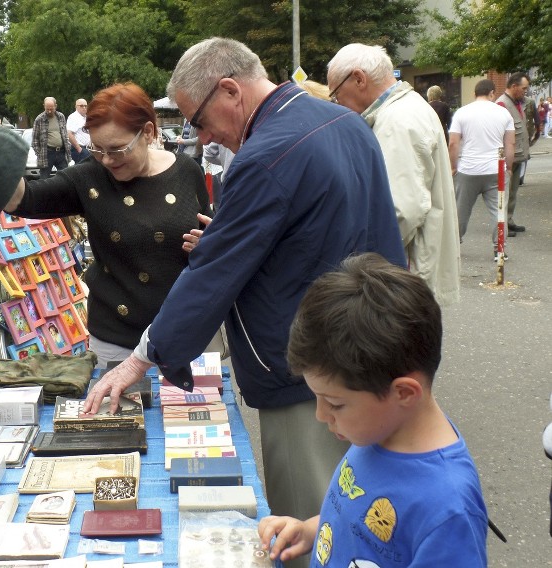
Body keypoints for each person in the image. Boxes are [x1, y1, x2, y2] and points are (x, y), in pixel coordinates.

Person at [82, 39, 405, 568]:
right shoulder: (344, 122)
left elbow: (213, 276)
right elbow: (352, 230)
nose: (204, 137)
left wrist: (142, 359)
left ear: (229, 89)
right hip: (372, 352)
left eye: (201, 121)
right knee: (365, 507)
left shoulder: (265, 154)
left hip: (307, 370)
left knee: (312, 525)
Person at [257, 253, 488, 567]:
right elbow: (358, 511)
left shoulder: (447, 511)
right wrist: (310, 530)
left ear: (403, 393)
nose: (321, 415)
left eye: (335, 404)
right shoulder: (380, 429)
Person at [0, 83, 210, 368]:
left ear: (148, 132)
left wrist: (209, 245)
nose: (107, 160)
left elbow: (211, 237)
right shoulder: (90, 177)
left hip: (184, 333)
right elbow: (24, 198)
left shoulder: (187, 171)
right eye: (98, 148)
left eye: (117, 149)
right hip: (117, 341)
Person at [328, 43, 460, 307]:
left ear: (358, 79)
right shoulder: (406, 109)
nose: (337, 102)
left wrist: (356, 262)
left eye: (336, 93)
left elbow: (400, 211)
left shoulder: (397, 122)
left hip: (400, 275)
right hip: (409, 270)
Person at [448, 79, 515, 260]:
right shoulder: (504, 114)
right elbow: (510, 143)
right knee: (498, 210)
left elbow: (453, 143)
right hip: (495, 169)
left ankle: (455, 245)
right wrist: (509, 166)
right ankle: (499, 249)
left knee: (461, 210)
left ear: (475, 94)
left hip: (468, 168)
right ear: (492, 93)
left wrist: (453, 166)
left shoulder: (462, 113)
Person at [496, 72, 531, 233]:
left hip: (518, 155)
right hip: (509, 156)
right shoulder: (502, 104)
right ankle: (502, 224)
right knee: (505, 192)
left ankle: (508, 219)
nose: (525, 91)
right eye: (523, 88)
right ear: (514, 86)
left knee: (513, 192)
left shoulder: (518, 103)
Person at [32, 97, 71, 179]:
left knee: (67, 177)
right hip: (47, 154)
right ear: (44, 106)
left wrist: (68, 146)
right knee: (44, 179)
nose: (49, 111)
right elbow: (35, 140)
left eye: (51, 109)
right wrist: (39, 153)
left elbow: (65, 134)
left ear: (55, 106)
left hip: (61, 152)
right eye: (47, 109)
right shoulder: (39, 119)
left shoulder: (61, 117)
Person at [67, 98, 91, 163]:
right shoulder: (73, 117)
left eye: (85, 106)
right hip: (79, 149)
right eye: (81, 106)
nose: (84, 108)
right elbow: (69, 134)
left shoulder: (86, 118)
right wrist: (79, 149)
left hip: (88, 149)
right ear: (76, 106)